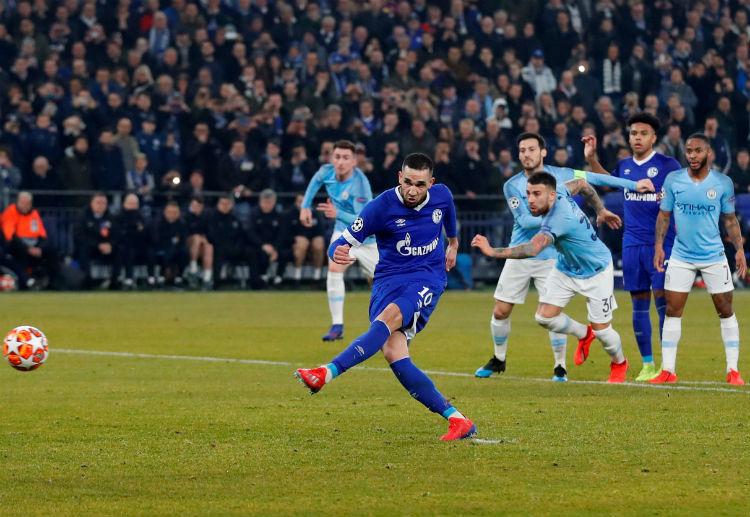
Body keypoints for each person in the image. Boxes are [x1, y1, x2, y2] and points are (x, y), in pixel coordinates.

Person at [295, 153, 476, 441]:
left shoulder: (441, 196)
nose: (413, 190)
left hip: (427, 278)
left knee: (388, 319)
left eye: (420, 184)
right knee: (393, 353)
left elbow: (449, 213)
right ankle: (457, 420)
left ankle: (326, 372)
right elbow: (342, 243)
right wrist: (335, 252)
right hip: (389, 280)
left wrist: (453, 243)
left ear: (431, 183)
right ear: (399, 178)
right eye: (407, 182)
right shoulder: (380, 207)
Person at [473, 132, 654, 381]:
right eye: (522, 150)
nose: (530, 199)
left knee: (603, 330)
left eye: (531, 149)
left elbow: (588, 178)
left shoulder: (557, 203)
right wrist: (601, 208)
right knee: (539, 315)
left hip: (588, 265)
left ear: (543, 152)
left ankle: (609, 363)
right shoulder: (536, 187)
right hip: (563, 262)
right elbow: (581, 185)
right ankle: (579, 335)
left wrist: (493, 250)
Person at [585, 113, 682, 381]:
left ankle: (667, 365)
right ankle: (647, 365)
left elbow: (683, 195)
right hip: (632, 244)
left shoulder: (668, 165)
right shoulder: (625, 166)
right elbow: (607, 182)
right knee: (639, 304)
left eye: (642, 134)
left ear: (654, 138)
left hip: (661, 244)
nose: (637, 138)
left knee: (663, 302)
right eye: (633, 134)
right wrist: (592, 159)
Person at [650, 134, 747, 385]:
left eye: (698, 151)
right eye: (689, 151)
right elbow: (664, 216)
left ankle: (733, 370)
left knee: (725, 310)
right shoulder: (673, 181)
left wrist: (738, 249)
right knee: (672, 310)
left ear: (709, 153)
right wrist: (659, 246)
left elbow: (729, 220)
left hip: (714, 256)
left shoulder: (723, 183)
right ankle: (668, 370)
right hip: (681, 256)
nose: (692, 155)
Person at [300, 139, 378, 341]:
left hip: (368, 238)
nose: (340, 162)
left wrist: (338, 213)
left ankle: (395, 327)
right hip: (343, 233)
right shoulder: (326, 171)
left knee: (378, 283)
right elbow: (315, 182)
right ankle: (337, 326)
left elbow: (363, 222)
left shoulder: (360, 185)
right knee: (334, 269)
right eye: (337, 157)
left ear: (354, 161)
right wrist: (305, 206)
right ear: (331, 158)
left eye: (345, 158)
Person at [1, 191, 59, 288]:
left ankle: (54, 282)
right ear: (18, 202)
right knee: (19, 252)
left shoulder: (34, 213)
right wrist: (28, 249)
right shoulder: (10, 213)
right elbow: (10, 236)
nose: (25, 205)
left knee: (52, 250)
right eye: (23, 203)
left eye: (28, 203)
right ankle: (26, 282)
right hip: (19, 245)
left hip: (34, 244)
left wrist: (40, 248)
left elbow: (42, 234)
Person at [73, 193, 115, 288]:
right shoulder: (82, 216)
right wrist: (97, 245)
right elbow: (79, 236)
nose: (101, 205)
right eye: (98, 203)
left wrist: (110, 245)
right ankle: (86, 281)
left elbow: (117, 235)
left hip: (106, 248)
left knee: (120, 249)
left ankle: (115, 281)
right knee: (83, 250)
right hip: (90, 247)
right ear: (91, 203)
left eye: (103, 203)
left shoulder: (111, 217)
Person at [152, 201, 189, 287]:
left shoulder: (182, 224)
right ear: (165, 212)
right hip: (161, 248)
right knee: (168, 251)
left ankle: (179, 278)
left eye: (175, 213)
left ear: (179, 213)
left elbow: (182, 240)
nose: (172, 215)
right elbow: (156, 240)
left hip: (177, 249)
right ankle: (161, 277)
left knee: (184, 252)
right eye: (170, 212)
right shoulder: (159, 223)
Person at [185, 194, 214, 289]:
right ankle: (193, 269)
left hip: (203, 246)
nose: (194, 208)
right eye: (192, 206)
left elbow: (210, 233)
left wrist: (204, 238)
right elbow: (184, 233)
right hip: (189, 245)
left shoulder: (208, 216)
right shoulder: (186, 216)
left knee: (209, 247)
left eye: (197, 206)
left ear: (201, 206)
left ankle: (207, 278)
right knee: (197, 238)